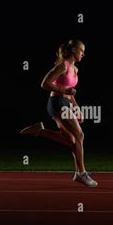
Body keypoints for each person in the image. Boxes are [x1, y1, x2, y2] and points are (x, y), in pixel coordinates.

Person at [20, 39, 98, 187]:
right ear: (74, 50)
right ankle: (81, 173)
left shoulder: (75, 69)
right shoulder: (63, 66)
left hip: (66, 103)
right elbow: (44, 83)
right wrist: (64, 91)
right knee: (79, 135)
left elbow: (71, 93)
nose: (84, 54)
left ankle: (40, 131)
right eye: (82, 51)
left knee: (71, 141)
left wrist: (77, 109)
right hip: (57, 103)